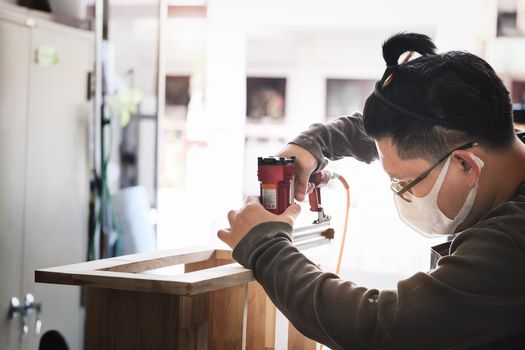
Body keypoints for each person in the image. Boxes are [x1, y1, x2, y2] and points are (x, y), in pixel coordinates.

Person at [217, 33, 525, 350]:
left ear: (466, 166)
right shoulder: (495, 142)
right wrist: (318, 142)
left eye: (404, 182)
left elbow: (381, 328)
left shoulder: (513, 242)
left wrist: (267, 247)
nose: (401, 194)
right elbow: (419, 136)